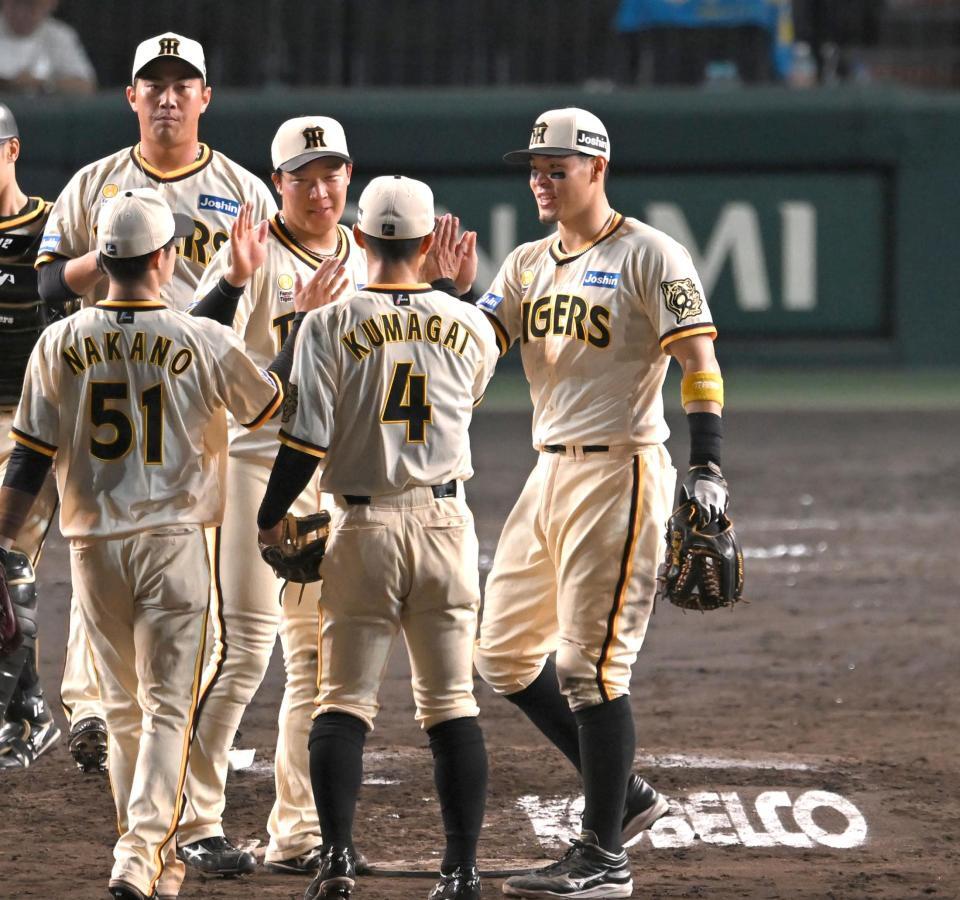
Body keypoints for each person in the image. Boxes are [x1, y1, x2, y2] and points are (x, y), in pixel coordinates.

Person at [0, 187, 291, 900]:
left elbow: (27, 463)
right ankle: (138, 854)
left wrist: (4, 548)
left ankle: (152, 865)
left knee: (125, 708)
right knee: (167, 706)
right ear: (164, 258)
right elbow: (270, 402)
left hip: (93, 548)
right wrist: (306, 319)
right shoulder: (203, 338)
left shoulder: (59, 340)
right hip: (172, 544)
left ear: (101, 260)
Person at [473, 108, 730, 899]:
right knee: (503, 655)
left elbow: (699, 361)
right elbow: (475, 347)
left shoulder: (650, 254)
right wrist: (445, 305)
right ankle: (627, 797)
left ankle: (602, 857)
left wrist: (709, 467)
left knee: (590, 667)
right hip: (547, 471)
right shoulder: (523, 264)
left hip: (621, 472)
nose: (541, 180)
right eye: (535, 167)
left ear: (597, 168)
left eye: (556, 167)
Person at [34, 30, 276, 781]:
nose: (168, 98)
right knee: (104, 540)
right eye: (154, 85)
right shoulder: (93, 183)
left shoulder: (242, 190)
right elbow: (45, 287)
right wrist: (110, 262)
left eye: (183, 85)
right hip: (111, 378)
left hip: (202, 405)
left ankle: (131, 720)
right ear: (131, 97)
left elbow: (258, 308)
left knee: (153, 553)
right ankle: (100, 713)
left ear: (204, 98)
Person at [257, 176, 498, 900]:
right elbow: (466, 394)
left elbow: (303, 444)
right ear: (428, 246)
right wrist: (452, 294)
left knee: (341, 703)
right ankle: (460, 870)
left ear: (360, 242)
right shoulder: (474, 325)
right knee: (452, 703)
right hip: (445, 523)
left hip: (360, 525)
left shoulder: (328, 323)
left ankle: (334, 860)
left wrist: (271, 514)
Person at [179, 116, 362, 877]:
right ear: (277, 181)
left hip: (332, 471)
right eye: (302, 176)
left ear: (349, 176)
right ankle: (193, 821)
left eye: (331, 173)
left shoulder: (361, 250)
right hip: (256, 464)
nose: (319, 190)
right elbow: (189, 341)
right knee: (245, 651)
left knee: (316, 661)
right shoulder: (252, 251)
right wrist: (232, 279)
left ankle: (298, 832)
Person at [0, 101, 64, 770]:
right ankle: (29, 705)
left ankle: (24, 715)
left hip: (33, 419)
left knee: (7, 559)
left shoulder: (48, 225)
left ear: (12, 150)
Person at [0, 0, 96, 95]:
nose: (21, 14)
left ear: (50, 5)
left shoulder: (60, 36)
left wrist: (41, 84)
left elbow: (85, 86)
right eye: (15, 4)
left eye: (31, 7)